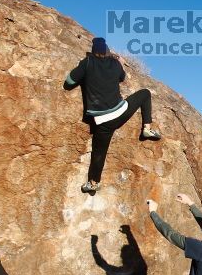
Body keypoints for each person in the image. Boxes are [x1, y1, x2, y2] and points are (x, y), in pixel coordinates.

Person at [64, 37, 162, 195]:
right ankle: (147, 129)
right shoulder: (114, 64)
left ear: (93, 51)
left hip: (102, 121)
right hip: (120, 112)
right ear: (107, 51)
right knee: (145, 94)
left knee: (99, 153)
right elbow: (122, 77)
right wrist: (121, 62)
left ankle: (94, 183)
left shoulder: (87, 63)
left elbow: (69, 82)